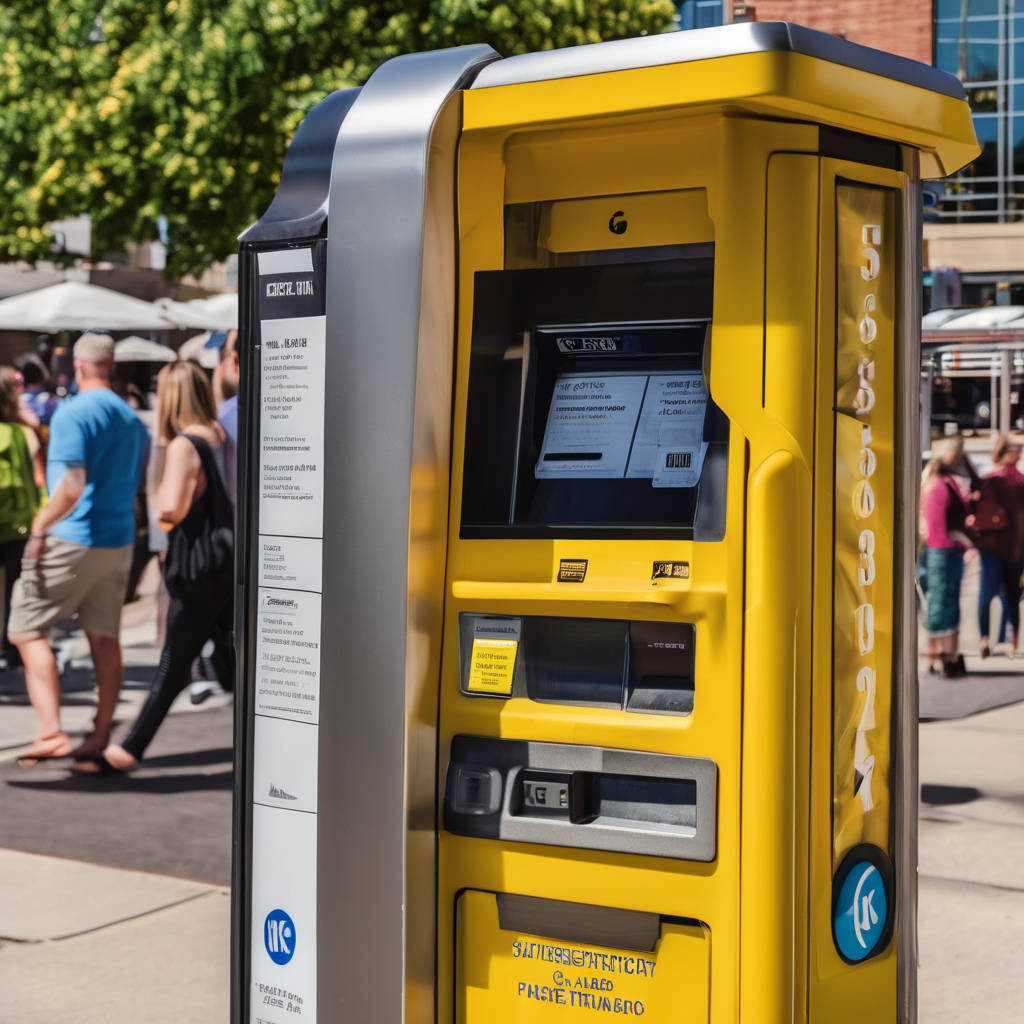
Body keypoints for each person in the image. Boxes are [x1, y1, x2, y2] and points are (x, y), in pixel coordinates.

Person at [78, 361, 233, 774]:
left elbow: (170, 507)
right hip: (223, 562)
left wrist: (161, 510)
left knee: (173, 664)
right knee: (231, 658)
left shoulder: (185, 444)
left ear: (172, 397)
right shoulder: (221, 434)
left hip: (195, 569)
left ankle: (128, 749)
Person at [10, 333, 149, 765]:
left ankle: (51, 731)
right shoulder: (130, 418)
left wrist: (38, 528)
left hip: (73, 535)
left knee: (25, 629)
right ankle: (98, 735)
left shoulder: (72, 413)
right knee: (105, 639)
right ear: (110, 365)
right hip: (118, 537)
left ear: (79, 364)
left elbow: (70, 488)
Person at [0, 367, 47, 668]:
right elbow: (40, 478)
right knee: (17, 590)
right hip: (20, 523)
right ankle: (12, 647)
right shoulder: (23, 432)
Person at [920, 436, 977, 677]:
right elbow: (940, 530)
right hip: (944, 552)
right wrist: (965, 542)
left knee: (946, 605)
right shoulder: (939, 486)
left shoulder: (944, 483)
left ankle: (945, 655)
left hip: (947, 551)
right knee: (943, 606)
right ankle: (942, 656)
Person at [970, 434, 1024, 658]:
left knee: (986, 592)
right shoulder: (1020, 482)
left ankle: (984, 639)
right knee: (1012, 594)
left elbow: (973, 512)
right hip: (1014, 547)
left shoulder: (988, 480)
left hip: (989, 546)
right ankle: (1013, 645)